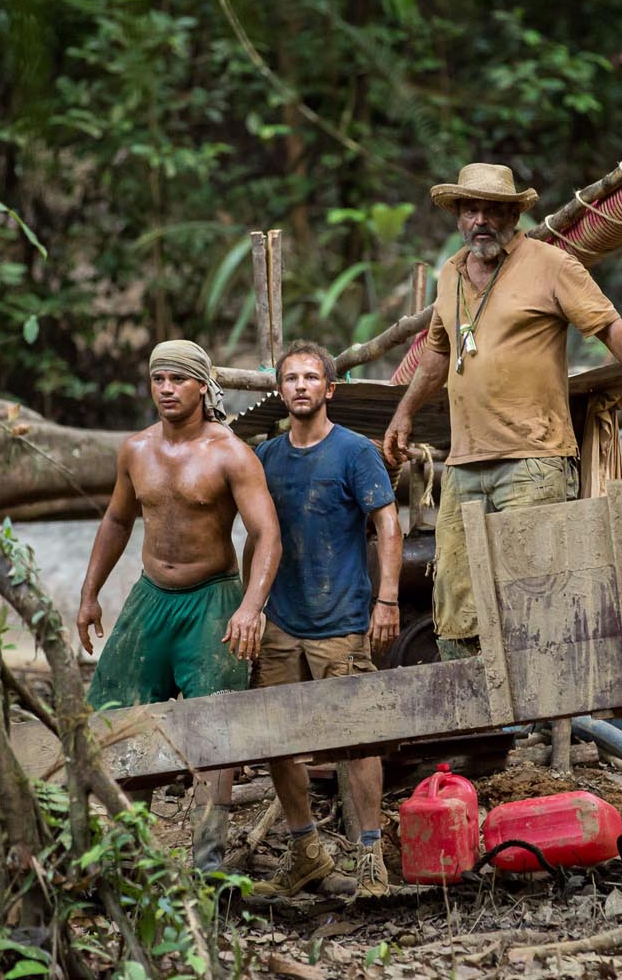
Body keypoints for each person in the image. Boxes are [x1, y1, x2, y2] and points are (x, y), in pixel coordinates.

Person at [382, 162, 622, 660]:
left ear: (513, 215)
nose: (482, 221)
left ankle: (546, 728)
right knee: (456, 602)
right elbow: (435, 355)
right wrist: (403, 412)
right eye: (471, 210)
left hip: (533, 460)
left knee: (535, 593)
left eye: (494, 210)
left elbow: (612, 330)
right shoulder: (451, 274)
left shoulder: (550, 264)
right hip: (465, 463)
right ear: (457, 216)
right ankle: (479, 726)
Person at [76, 339, 282, 873]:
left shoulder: (230, 454)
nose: (166, 389)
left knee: (213, 727)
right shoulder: (136, 450)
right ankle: (127, 854)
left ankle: (209, 862)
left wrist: (250, 607)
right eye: (158, 379)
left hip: (212, 600)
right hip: (150, 598)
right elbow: (118, 521)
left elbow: (267, 534)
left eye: (178, 379)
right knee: (119, 714)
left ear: (202, 387)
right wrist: (89, 593)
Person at [244, 341, 402, 899]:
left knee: (356, 739)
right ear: (280, 390)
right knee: (278, 739)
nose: (302, 386)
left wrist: (387, 600)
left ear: (329, 389)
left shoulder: (356, 452)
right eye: (292, 378)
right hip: (282, 624)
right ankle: (306, 853)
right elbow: (258, 537)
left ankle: (368, 858)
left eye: (312, 377)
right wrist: (251, 608)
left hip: (342, 623)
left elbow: (387, 526)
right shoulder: (265, 458)